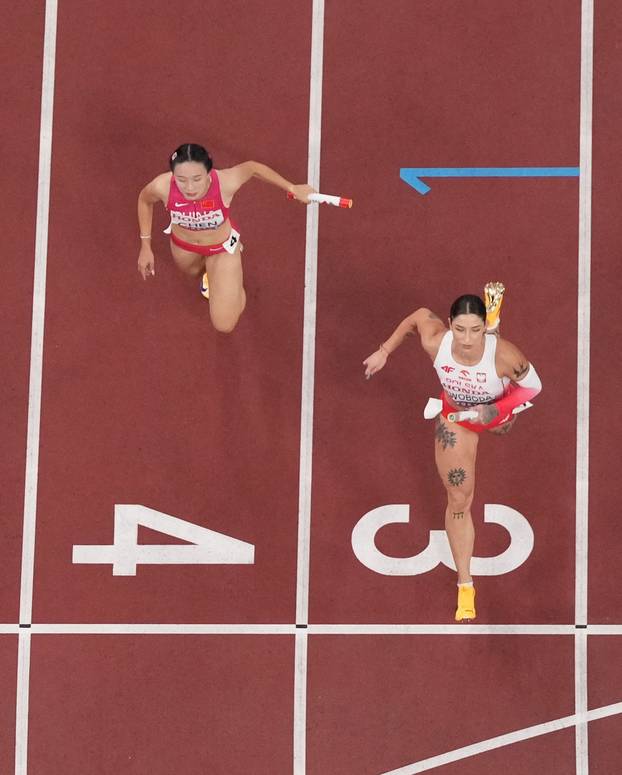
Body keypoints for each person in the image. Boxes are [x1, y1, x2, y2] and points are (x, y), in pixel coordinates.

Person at [363, 290, 542, 622]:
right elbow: (418, 315)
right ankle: (465, 584)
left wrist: (497, 409)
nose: (467, 339)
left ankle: (495, 325)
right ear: (449, 325)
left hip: (495, 410)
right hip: (456, 417)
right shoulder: (436, 342)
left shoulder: (505, 355)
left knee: (503, 429)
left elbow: (533, 387)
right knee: (459, 499)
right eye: (460, 329)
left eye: (476, 330)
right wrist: (384, 351)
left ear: (481, 329)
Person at [137, 143, 315, 332]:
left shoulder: (225, 183)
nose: (189, 187)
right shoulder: (162, 186)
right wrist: (145, 246)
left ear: (208, 173)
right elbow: (144, 201)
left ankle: (234, 287)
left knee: (224, 324)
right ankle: (213, 277)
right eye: (181, 179)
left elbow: (253, 168)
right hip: (184, 247)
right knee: (194, 273)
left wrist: (291, 187)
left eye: (197, 179)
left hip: (221, 248)